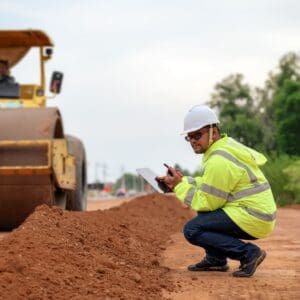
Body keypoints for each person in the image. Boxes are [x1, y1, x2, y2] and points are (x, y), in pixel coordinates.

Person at [157, 105, 276, 277]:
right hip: (256, 212)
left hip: (254, 216)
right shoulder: (223, 148)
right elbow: (210, 184)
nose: (193, 141)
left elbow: (207, 202)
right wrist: (182, 180)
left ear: (214, 132)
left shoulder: (218, 160)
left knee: (192, 230)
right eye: (189, 137)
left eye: (197, 135)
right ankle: (216, 259)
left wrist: (178, 187)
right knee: (206, 216)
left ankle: (248, 254)